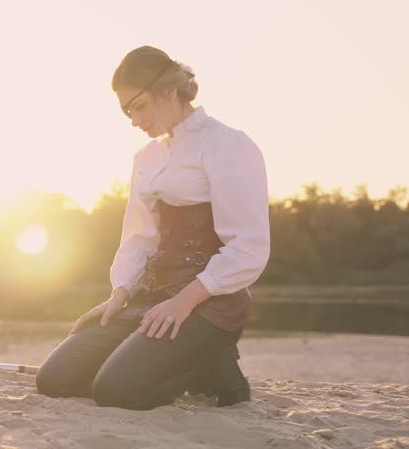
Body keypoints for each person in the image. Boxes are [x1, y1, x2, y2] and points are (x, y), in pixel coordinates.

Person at [35, 46, 270, 410]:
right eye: (125, 111)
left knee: (116, 390)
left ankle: (213, 363)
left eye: (137, 107)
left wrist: (185, 301)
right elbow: (139, 236)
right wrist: (120, 293)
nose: (132, 119)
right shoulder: (146, 157)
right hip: (151, 296)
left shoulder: (227, 145)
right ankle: (186, 357)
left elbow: (248, 246)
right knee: (55, 379)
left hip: (209, 302)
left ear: (169, 92)